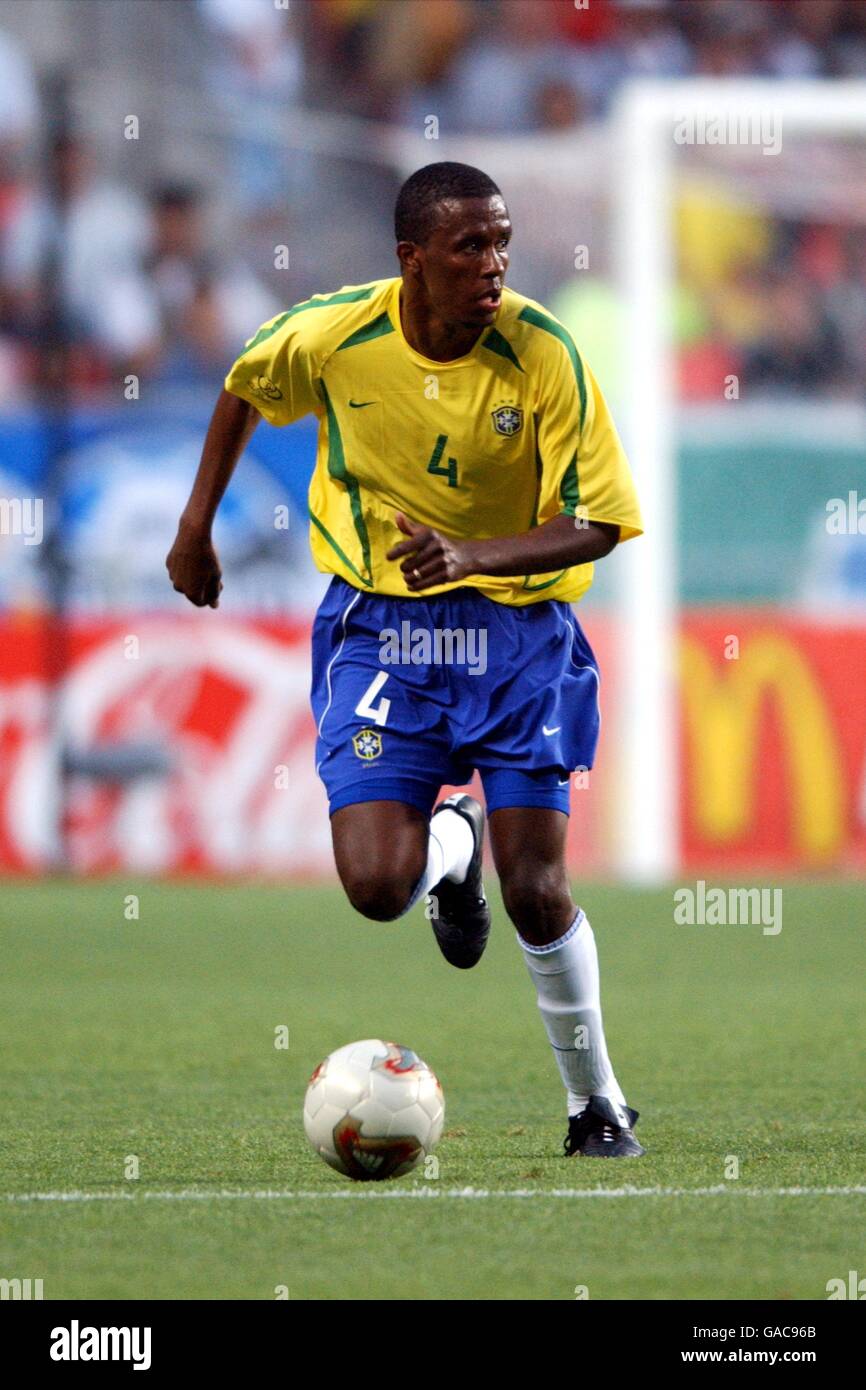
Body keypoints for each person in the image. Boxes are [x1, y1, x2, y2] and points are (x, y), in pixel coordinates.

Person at [166, 162, 645, 1158]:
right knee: (377, 887)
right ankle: (448, 849)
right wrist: (196, 524)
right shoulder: (333, 334)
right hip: (382, 631)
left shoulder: (542, 351)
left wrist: (471, 554)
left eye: (501, 243)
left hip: (517, 639)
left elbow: (599, 521)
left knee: (538, 890)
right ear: (410, 259)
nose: (492, 266)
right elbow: (242, 386)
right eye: (470, 247)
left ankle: (594, 1101)